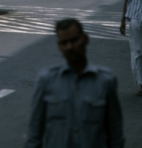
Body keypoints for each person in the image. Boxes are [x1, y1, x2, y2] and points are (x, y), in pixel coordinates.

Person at [25, 18, 124, 148]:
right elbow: (34, 134)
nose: (70, 47)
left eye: (74, 40)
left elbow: (115, 134)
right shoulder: (46, 80)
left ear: (85, 39)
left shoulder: (105, 81)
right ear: (59, 46)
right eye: (64, 43)